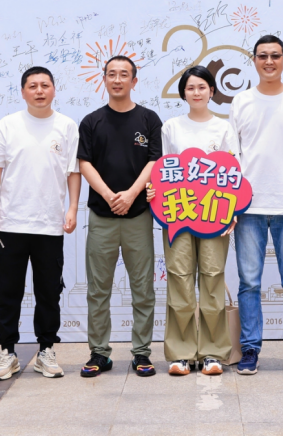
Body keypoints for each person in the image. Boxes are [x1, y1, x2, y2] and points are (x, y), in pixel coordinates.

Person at [0, 66, 81, 381]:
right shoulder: (8, 125)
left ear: (54, 89)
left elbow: (73, 172)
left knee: (49, 292)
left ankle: (46, 351)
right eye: (33, 86)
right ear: (23, 91)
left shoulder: (66, 126)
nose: (39, 91)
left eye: (45, 85)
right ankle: (7, 352)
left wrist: (72, 208)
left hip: (50, 225)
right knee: (7, 292)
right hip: (11, 224)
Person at [229, 35, 283, 376]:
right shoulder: (241, 101)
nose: (269, 61)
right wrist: (232, 203)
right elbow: (233, 155)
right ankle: (250, 347)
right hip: (248, 207)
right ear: (254, 60)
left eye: (275, 56)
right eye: (263, 56)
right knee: (249, 282)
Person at [146, 66, 238, 376]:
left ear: (212, 91)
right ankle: (181, 353)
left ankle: (213, 353)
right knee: (179, 279)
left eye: (202, 87)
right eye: (190, 88)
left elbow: (233, 173)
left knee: (212, 279)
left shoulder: (224, 128)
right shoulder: (172, 127)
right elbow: (161, 170)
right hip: (177, 213)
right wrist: (153, 191)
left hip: (214, 214)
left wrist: (233, 211)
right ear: (183, 93)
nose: (196, 92)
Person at [77, 55, 162, 378]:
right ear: (104, 79)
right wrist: (110, 196)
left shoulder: (149, 119)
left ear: (134, 81)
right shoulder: (92, 121)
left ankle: (142, 353)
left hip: (138, 215)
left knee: (143, 288)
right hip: (102, 216)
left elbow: (154, 161)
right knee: (98, 289)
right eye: (111, 74)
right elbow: (84, 163)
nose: (117, 80)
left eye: (123, 74)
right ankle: (99, 353)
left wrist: (130, 195)